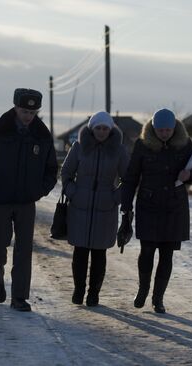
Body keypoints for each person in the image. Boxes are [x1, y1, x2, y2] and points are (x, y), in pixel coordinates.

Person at [0, 88, 58, 312]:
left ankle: (19, 297)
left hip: (26, 202)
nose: (28, 116)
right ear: (15, 108)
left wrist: (40, 191)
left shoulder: (42, 136)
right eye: (24, 111)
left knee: (24, 249)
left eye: (33, 111)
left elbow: (51, 170)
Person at [121, 108, 192, 313]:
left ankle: (158, 298)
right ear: (153, 128)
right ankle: (143, 290)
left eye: (168, 130)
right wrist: (126, 206)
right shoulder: (142, 145)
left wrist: (190, 175)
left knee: (167, 254)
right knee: (147, 251)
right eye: (161, 130)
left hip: (174, 206)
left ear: (174, 128)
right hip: (149, 204)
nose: (164, 133)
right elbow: (131, 177)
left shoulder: (185, 145)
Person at [60, 111, 129, 306]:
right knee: (80, 253)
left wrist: (115, 197)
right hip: (79, 208)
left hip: (105, 210)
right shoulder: (79, 147)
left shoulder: (119, 151)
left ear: (110, 129)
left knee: (99, 254)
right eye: (98, 128)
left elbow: (129, 179)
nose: (101, 131)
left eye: (105, 128)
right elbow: (66, 173)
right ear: (91, 129)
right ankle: (78, 290)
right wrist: (73, 192)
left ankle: (93, 294)